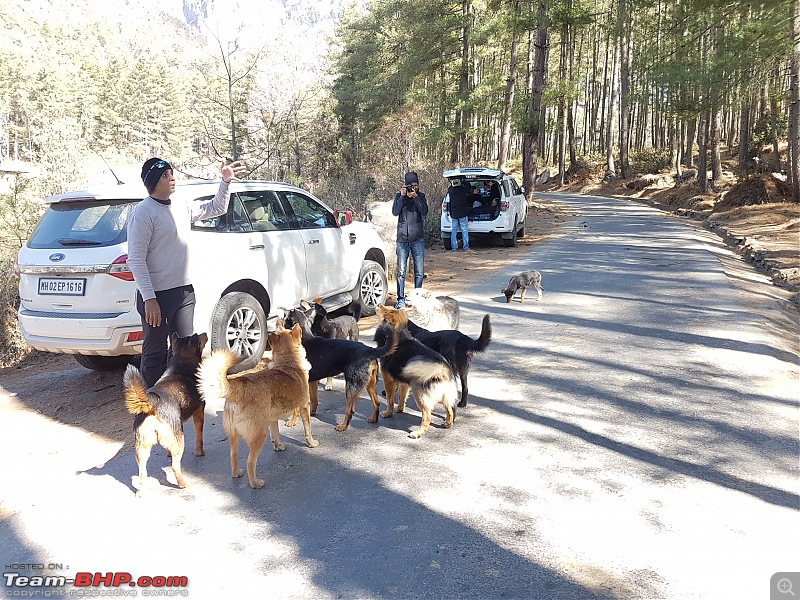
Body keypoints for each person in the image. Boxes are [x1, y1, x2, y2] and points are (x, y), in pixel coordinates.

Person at [127, 157, 246, 387]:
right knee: (154, 353)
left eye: (171, 173)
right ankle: (153, 405)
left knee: (185, 350)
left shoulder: (180, 205)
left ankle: (181, 397)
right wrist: (149, 298)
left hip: (183, 293)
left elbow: (216, 208)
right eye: (165, 175)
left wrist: (225, 182)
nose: (171, 178)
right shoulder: (143, 213)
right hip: (156, 296)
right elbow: (136, 259)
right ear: (152, 181)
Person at [392, 171, 429, 309]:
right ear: (405, 185)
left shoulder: (421, 196)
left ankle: (417, 297)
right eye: (410, 186)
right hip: (402, 239)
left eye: (415, 185)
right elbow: (395, 212)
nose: (413, 188)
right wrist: (402, 197)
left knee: (419, 272)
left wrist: (416, 198)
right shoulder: (399, 196)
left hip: (417, 239)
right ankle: (401, 299)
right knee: (401, 272)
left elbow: (424, 211)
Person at [447, 178, 471, 251]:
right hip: (463, 213)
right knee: (464, 231)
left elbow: (450, 187)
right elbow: (468, 188)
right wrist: (465, 180)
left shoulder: (450, 191)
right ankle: (466, 247)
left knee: (454, 231)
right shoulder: (463, 190)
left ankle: (454, 247)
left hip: (454, 214)